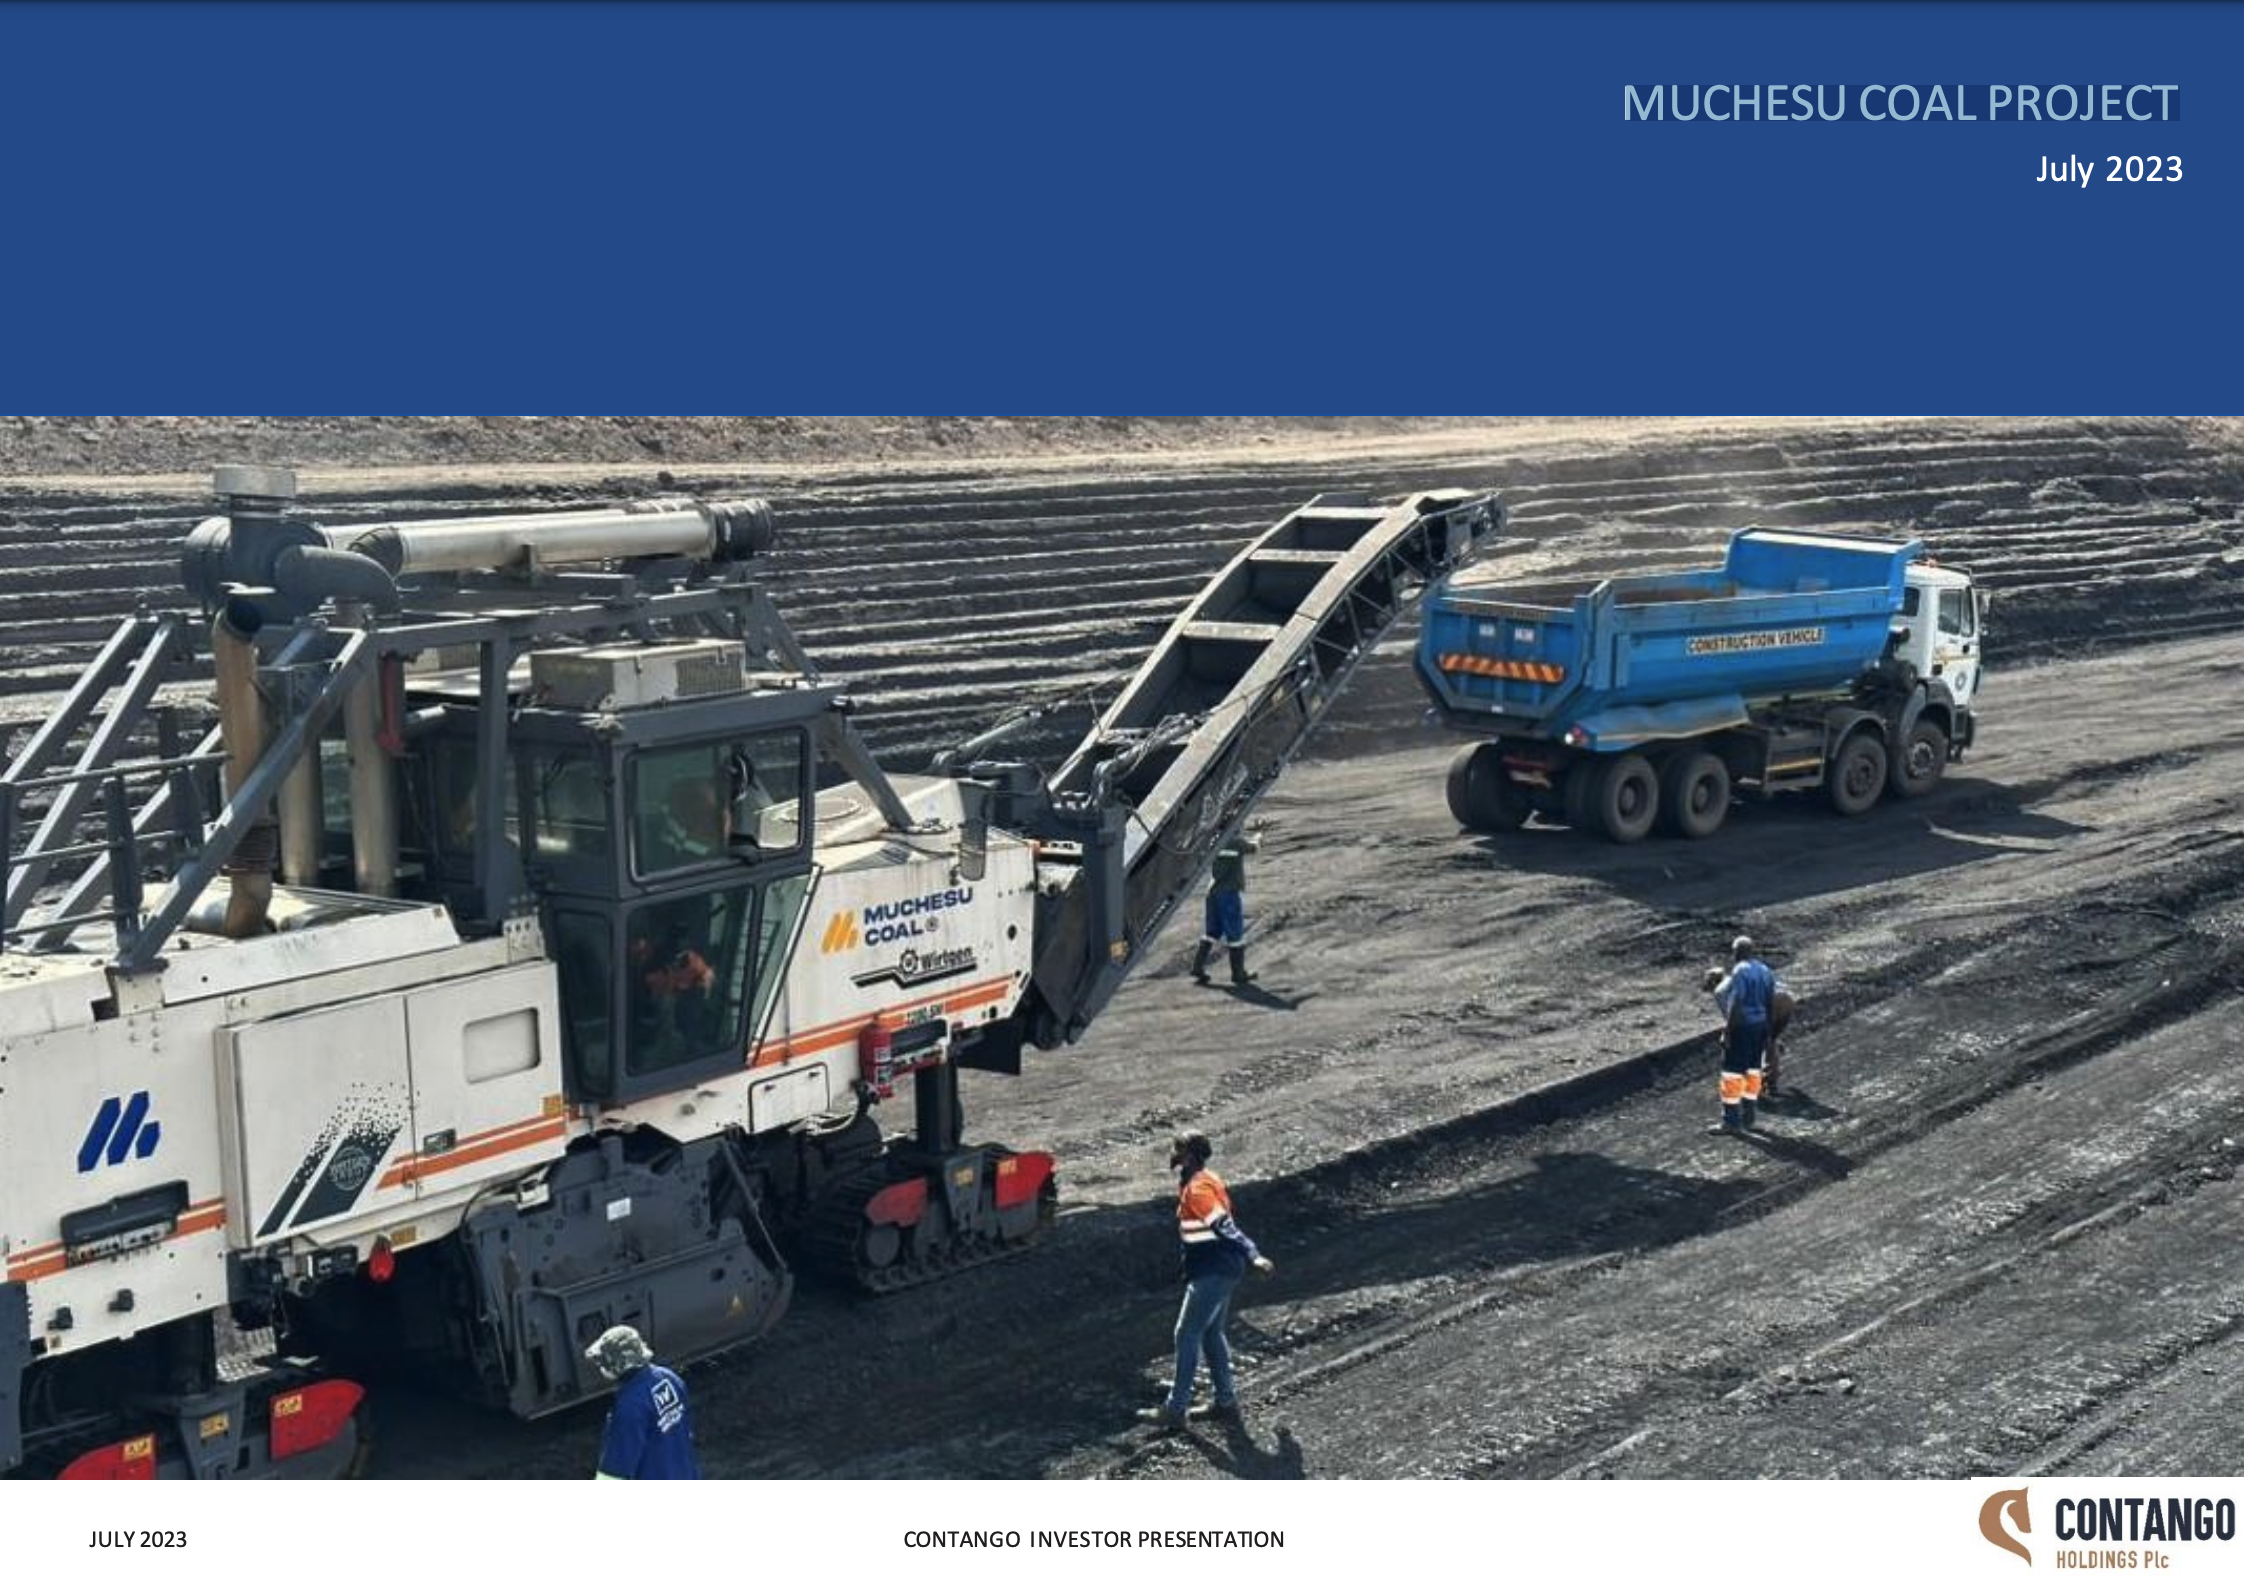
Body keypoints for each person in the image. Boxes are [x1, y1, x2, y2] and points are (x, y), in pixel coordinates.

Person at [1138, 1131, 1274, 1430]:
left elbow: (1225, 1226)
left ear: (1188, 1156)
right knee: (1211, 1333)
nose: (1173, 1154)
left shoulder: (1198, 1189)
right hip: (1221, 1268)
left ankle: (1175, 1409)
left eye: (1178, 1149)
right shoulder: (1207, 1178)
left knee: (1185, 1334)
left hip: (1213, 1271)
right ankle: (1225, 1402)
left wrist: (1253, 1254)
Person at [586, 1324, 700, 1480]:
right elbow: (685, 1427)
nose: (600, 1368)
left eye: (602, 1363)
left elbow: (613, 1473)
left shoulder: (629, 1407)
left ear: (616, 1365)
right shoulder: (669, 1377)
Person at [1705, 935, 1777, 1134]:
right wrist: (1768, 1032)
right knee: (1753, 1071)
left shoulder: (1739, 971)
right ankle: (1749, 1118)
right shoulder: (1765, 970)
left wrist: (1728, 1032)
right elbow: (1770, 1002)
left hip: (1743, 1028)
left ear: (1735, 952)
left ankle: (1731, 1121)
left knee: (1732, 1073)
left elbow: (1737, 1004)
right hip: (1760, 1026)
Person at [1190, 830, 1261, 986]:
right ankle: (1238, 974)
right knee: (1235, 933)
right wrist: (1258, 836)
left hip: (1212, 892)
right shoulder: (1235, 841)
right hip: (1228, 894)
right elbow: (1254, 848)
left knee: (1212, 931)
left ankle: (1197, 966)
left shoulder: (1214, 840)